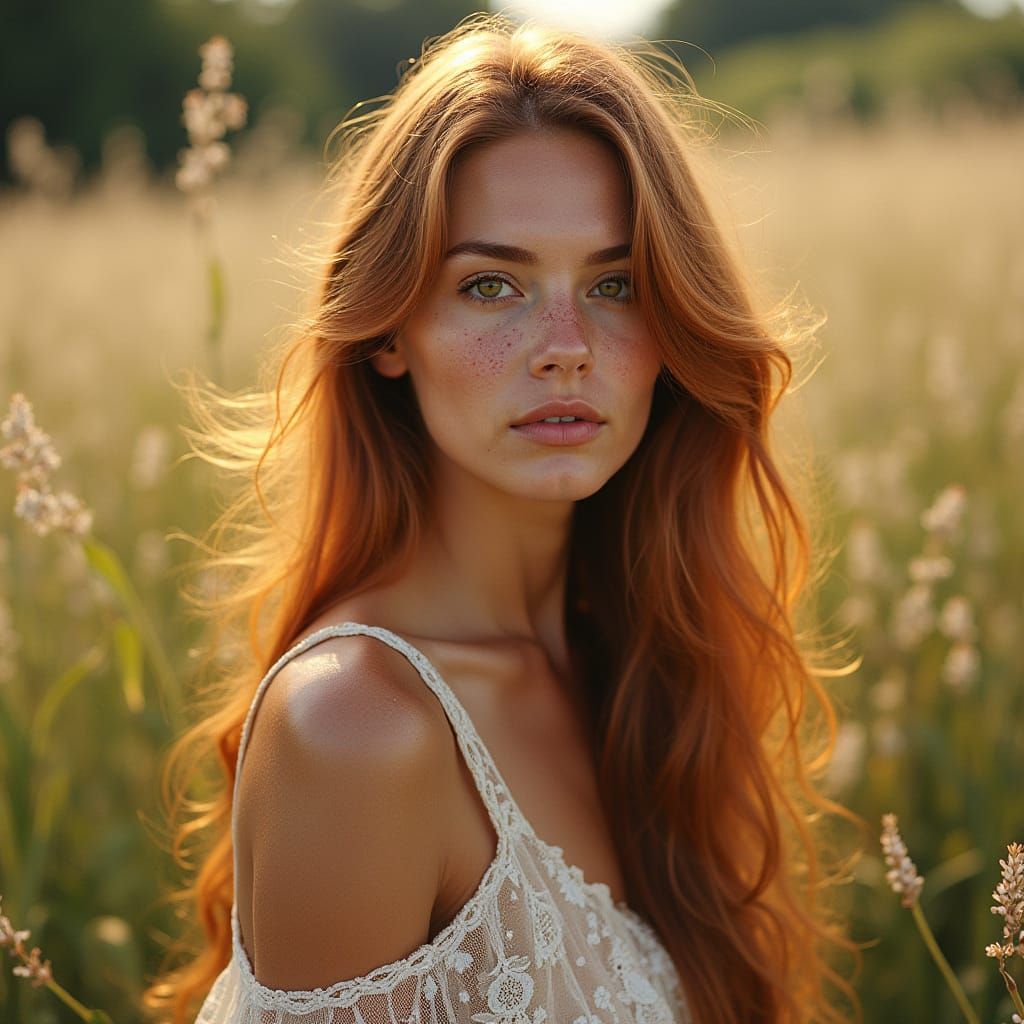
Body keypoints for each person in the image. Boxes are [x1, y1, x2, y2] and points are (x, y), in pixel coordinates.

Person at [143, 12, 862, 1024]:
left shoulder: (630, 656)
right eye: (492, 284)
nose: (565, 345)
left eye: (615, 283)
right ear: (390, 330)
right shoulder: (357, 727)